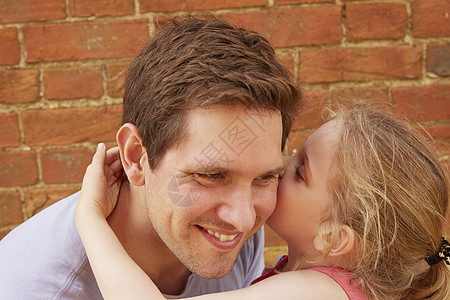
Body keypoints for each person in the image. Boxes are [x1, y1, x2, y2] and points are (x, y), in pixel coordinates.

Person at [0, 17, 301, 299]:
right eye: (211, 176)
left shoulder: (234, 236)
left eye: (264, 177)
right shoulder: (35, 287)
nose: (244, 219)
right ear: (135, 156)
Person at [76, 101, 450, 300]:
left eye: (301, 171)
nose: (282, 165)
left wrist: (91, 219)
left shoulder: (318, 293)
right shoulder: (318, 279)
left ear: (334, 237)